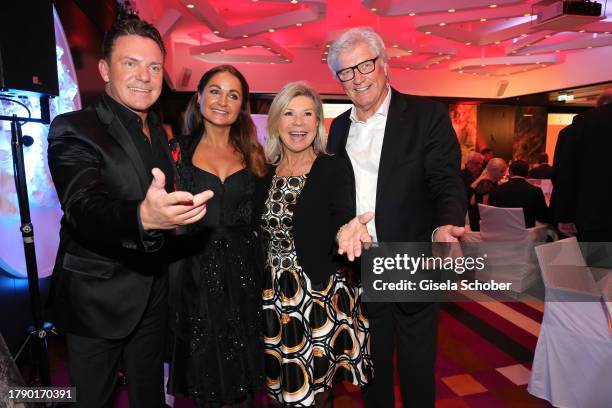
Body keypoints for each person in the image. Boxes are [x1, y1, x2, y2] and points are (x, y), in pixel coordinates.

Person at [47, 17, 213, 408]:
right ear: (105, 69)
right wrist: (143, 218)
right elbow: (83, 209)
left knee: (149, 395)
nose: (145, 76)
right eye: (130, 63)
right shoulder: (75, 128)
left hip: (152, 295)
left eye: (154, 67)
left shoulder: (156, 129)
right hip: (97, 300)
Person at [326, 28, 467, 408]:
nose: (357, 78)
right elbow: (336, 193)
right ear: (338, 81)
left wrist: (443, 225)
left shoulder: (426, 115)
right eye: (345, 72)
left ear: (384, 66)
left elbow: (445, 181)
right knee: (370, 368)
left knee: (417, 366)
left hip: (411, 258)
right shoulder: (338, 127)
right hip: (359, 263)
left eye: (365, 65)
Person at [253, 82, 373, 407]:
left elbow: (343, 217)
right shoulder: (264, 173)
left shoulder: (332, 166)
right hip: (272, 295)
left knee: (317, 391)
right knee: (277, 386)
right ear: (277, 121)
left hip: (318, 293)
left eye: (308, 114)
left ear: (318, 122)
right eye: (290, 113)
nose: (298, 122)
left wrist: (348, 231)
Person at [167, 65, 268, 407]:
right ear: (199, 96)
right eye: (215, 90)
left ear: (242, 106)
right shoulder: (176, 150)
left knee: (242, 378)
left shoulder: (254, 154)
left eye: (233, 94)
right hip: (195, 274)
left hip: (245, 277)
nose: (223, 101)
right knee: (205, 376)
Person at [552, 89, 612, 240]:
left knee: (598, 263)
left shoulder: (583, 122)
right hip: (595, 217)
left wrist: (564, 214)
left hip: (595, 218)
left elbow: (566, 171)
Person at [488, 160, 549, 228]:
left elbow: (490, 216)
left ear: (510, 172)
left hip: (500, 233)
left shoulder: (495, 191)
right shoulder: (535, 191)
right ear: (527, 173)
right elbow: (543, 218)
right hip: (526, 235)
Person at [468, 158, 507, 231]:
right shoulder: (487, 185)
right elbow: (485, 210)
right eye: (502, 171)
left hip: (475, 222)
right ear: (493, 170)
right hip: (481, 226)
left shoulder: (482, 182)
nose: (504, 174)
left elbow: (472, 202)